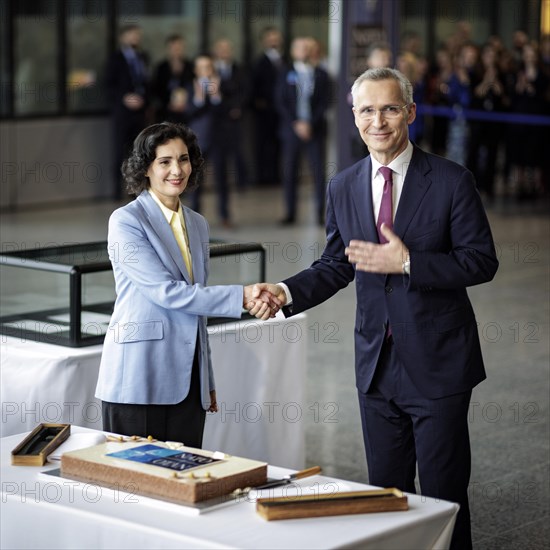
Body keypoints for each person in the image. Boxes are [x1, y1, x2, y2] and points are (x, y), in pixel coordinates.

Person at [252, 68, 499, 549]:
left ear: (410, 112)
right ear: (353, 117)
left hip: (439, 364)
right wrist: (285, 291)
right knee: (386, 494)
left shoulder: (450, 180)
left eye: (389, 108)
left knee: (445, 497)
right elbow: (335, 263)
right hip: (376, 367)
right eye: (367, 110)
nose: (378, 121)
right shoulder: (343, 185)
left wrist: (408, 261)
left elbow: (481, 261)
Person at [95, 122, 276, 447]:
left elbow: (197, 311)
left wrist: (205, 378)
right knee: (138, 486)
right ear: (146, 168)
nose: (177, 170)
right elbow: (166, 292)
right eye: (165, 161)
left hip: (188, 383)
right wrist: (243, 296)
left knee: (183, 480)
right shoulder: (126, 221)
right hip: (139, 377)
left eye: (183, 159)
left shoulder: (197, 224)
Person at [276, 37, 330, 225]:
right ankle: (290, 213)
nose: (304, 51)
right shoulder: (285, 73)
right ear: (293, 52)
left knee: (318, 172)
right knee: (290, 171)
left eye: (307, 47)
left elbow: (325, 102)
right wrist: (297, 123)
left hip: (315, 130)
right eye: (300, 47)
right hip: (291, 130)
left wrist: (310, 124)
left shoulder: (322, 74)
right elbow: (280, 101)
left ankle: (319, 214)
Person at [105, 24, 150, 200]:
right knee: (119, 151)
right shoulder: (115, 58)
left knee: (138, 152)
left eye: (137, 35)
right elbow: (109, 85)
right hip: (122, 113)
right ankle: (117, 191)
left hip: (140, 112)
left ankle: (136, 189)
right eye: (131, 35)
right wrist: (124, 98)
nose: (135, 38)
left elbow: (146, 82)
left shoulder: (143, 57)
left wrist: (144, 100)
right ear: (123, 37)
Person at [251, 26, 284, 185]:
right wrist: (259, 104)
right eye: (270, 38)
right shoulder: (259, 62)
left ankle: (277, 176)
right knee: (262, 145)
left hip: (282, 112)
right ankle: (262, 177)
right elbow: (253, 87)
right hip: (264, 112)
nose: (273, 41)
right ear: (264, 41)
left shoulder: (285, 61)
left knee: (279, 145)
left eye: (275, 38)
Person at [152, 34, 194, 124]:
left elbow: (193, 86)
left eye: (179, 48)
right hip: (165, 112)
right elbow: (156, 89)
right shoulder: (161, 67)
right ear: (168, 49)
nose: (176, 51)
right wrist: (168, 104)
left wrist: (186, 102)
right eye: (174, 48)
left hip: (186, 112)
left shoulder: (190, 66)